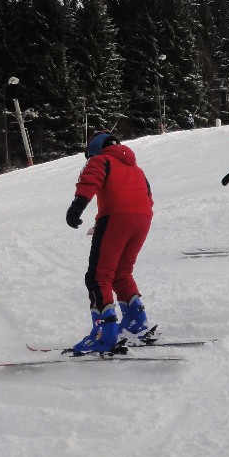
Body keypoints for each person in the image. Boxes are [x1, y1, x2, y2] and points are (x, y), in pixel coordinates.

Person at [66, 131, 155, 354]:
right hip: (142, 220)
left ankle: (104, 334)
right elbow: (148, 198)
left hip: (115, 217)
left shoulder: (101, 160)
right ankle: (136, 323)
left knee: (98, 276)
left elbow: (89, 181)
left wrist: (76, 208)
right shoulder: (137, 169)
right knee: (121, 273)